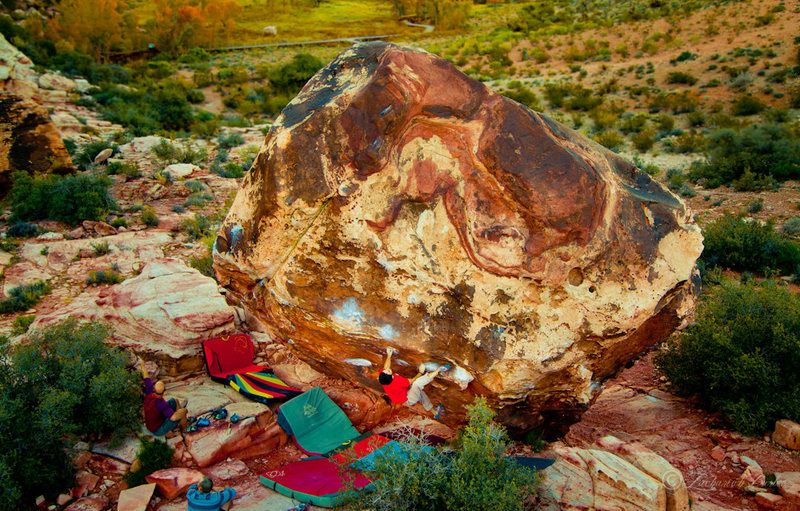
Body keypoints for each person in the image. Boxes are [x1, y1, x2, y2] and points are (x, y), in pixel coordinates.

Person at [378, 347, 448, 417]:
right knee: (417, 384)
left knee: (420, 393)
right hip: (408, 399)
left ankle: (435, 413)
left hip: (403, 393)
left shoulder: (383, 377)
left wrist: (389, 355)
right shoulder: (397, 382)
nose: (387, 369)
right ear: (391, 377)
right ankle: (439, 370)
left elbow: (386, 367)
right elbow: (412, 381)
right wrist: (420, 372)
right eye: (388, 371)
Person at [139, 358, 188, 436]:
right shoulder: (161, 403)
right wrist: (183, 411)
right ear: (164, 390)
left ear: (154, 389)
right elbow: (173, 417)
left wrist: (142, 364)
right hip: (158, 430)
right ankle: (185, 428)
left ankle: (181, 421)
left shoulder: (149, 393)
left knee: (174, 400)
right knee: (182, 411)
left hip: (151, 425)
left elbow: (146, 376)